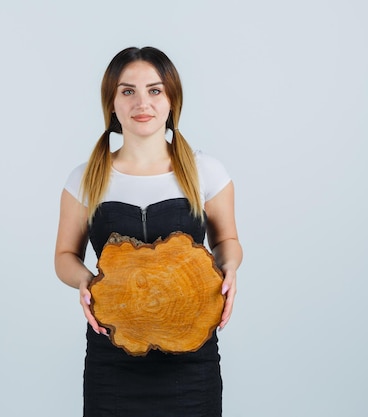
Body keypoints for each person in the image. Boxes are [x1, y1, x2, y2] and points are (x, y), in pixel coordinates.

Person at [54, 46, 243, 417]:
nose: (143, 102)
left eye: (155, 90)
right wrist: (85, 281)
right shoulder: (84, 178)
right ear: (112, 103)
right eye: (128, 91)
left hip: (193, 363)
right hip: (111, 360)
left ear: (172, 99)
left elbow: (227, 242)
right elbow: (64, 257)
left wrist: (230, 268)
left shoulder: (208, 172)